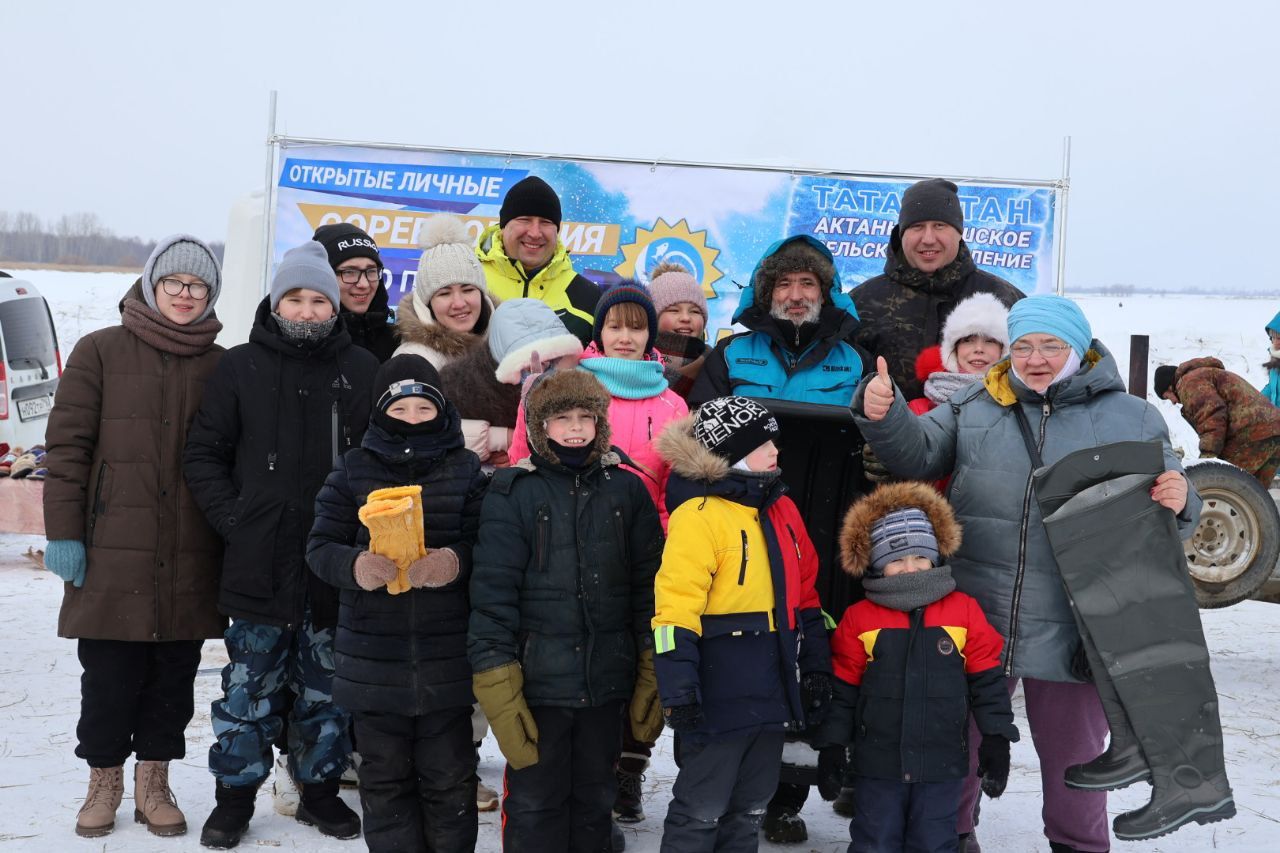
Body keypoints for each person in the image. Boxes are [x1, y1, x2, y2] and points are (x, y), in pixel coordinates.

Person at [854, 294, 1202, 853]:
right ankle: (950, 837)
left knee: (1077, 757)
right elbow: (917, 455)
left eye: (1050, 345)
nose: (1035, 359)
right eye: (1023, 346)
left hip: (1079, 622)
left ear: (1079, 349)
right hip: (976, 613)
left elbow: (1171, 516)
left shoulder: (1130, 415)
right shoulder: (975, 401)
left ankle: (1079, 846)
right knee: (955, 746)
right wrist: (886, 412)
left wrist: (1182, 500)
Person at [183, 240, 378, 849]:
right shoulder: (239, 367)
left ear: (333, 306)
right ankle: (235, 796)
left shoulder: (363, 370)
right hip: (258, 563)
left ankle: (318, 789)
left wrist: (361, 531)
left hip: (334, 565)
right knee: (247, 690)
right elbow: (203, 455)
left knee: (327, 689)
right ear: (276, 302)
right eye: (294, 297)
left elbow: (380, 461)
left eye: (318, 299)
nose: (307, 309)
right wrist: (238, 519)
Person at [42, 235, 226, 839]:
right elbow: (67, 452)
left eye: (197, 285)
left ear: (211, 294)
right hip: (110, 551)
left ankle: (154, 781)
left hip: (192, 551)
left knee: (174, 674)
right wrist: (64, 533)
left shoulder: (222, 364)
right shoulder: (99, 351)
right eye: (173, 282)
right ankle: (103, 781)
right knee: (109, 677)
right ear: (150, 284)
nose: (184, 295)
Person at [468, 369, 665, 853]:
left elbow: (649, 589)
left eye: (585, 417)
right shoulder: (512, 492)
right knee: (536, 802)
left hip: (607, 679)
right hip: (538, 684)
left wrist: (651, 665)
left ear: (601, 423)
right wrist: (497, 676)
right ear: (539, 427)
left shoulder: (629, 491)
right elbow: (493, 594)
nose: (575, 428)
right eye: (561, 418)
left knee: (596, 799)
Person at [307, 354, 488, 853]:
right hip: (372, 661)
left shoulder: (466, 470)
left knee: (450, 776)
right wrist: (355, 566)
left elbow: (488, 543)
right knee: (384, 779)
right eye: (400, 408)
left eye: (423, 408)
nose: (411, 417)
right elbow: (319, 548)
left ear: (441, 410)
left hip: (446, 658)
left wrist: (454, 562)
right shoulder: (352, 470)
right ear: (381, 411)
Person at [651, 396, 832, 853]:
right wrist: (679, 690)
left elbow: (806, 596)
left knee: (751, 807)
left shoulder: (782, 509)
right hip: (719, 693)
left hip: (772, 693)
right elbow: (674, 613)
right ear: (732, 453)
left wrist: (814, 667)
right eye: (764, 443)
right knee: (701, 808)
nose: (776, 452)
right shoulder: (699, 518)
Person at [815, 482, 1018, 853]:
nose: (910, 569)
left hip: (941, 764)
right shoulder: (860, 618)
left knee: (933, 842)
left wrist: (996, 739)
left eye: (919, 557)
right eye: (895, 559)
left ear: (935, 557)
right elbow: (843, 692)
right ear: (876, 564)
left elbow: (987, 682)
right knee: (874, 840)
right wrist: (832, 745)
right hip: (878, 764)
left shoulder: (964, 611)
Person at [508, 283, 688, 528]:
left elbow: (672, 495)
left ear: (649, 335)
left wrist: (661, 549)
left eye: (636, 328)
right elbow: (524, 463)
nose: (625, 338)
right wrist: (530, 405)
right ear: (600, 332)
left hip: (640, 543)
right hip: (567, 536)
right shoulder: (567, 384)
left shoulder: (673, 406)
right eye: (614, 327)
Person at [850, 178, 1023, 401]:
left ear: (959, 232)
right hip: (886, 434)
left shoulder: (1003, 298)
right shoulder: (861, 301)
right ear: (902, 233)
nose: (928, 239)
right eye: (916, 227)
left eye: (939, 226)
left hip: (980, 435)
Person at [690, 235, 867, 407]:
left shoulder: (857, 361)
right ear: (768, 295)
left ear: (824, 295)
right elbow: (699, 425)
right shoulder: (728, 353)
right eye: (784, 284)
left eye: (807, 283)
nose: (796, 296)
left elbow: (881, 432)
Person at [394, 214, 506, 472]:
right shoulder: (413, 359)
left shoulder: (504, 346)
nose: (459, 303)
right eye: (444, 293)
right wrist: (503, 439)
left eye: (467, 289)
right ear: (428, 303)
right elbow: (412, 431)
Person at [438, 297, 584, 472]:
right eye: (527, 360)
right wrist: (503, 438)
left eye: (551, 358)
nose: (540, 366)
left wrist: (519, 453)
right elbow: (436, 432)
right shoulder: (462, 381)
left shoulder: (575, 384)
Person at [475, 175, 601, 345]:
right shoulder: (470, 280)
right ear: (504, 226)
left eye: (545, 222)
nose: (535, 233)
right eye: (524, 220)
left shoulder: (588, 296)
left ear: (557, 230)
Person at [1155, 358, 1280, 486]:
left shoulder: (1190, 383)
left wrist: (1207, 458)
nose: (1173, 402)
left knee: (1224, 484)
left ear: (1170, 387)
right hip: (1273, 429)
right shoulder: (1203, 374)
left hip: (1251, 434)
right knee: (1254, 496)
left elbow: (1212, 417)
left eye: (1167, 397)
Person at [313, 222, 398, 362]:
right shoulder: (307, 342)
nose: (363, 284)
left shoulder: (398, 341)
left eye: (371, 271)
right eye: (349, 272)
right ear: (324, 276)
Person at [649, 261, 710, 399]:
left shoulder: (716, 365)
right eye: (674, 310)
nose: (686, 318)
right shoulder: (635, 361)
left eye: (694, 311)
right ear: (653, 319)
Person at [1263, 312, 1280, 406]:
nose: (1276, 342)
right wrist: (1257, 398)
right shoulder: (1275, 357)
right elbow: (1272, 387)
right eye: (1273, 337)